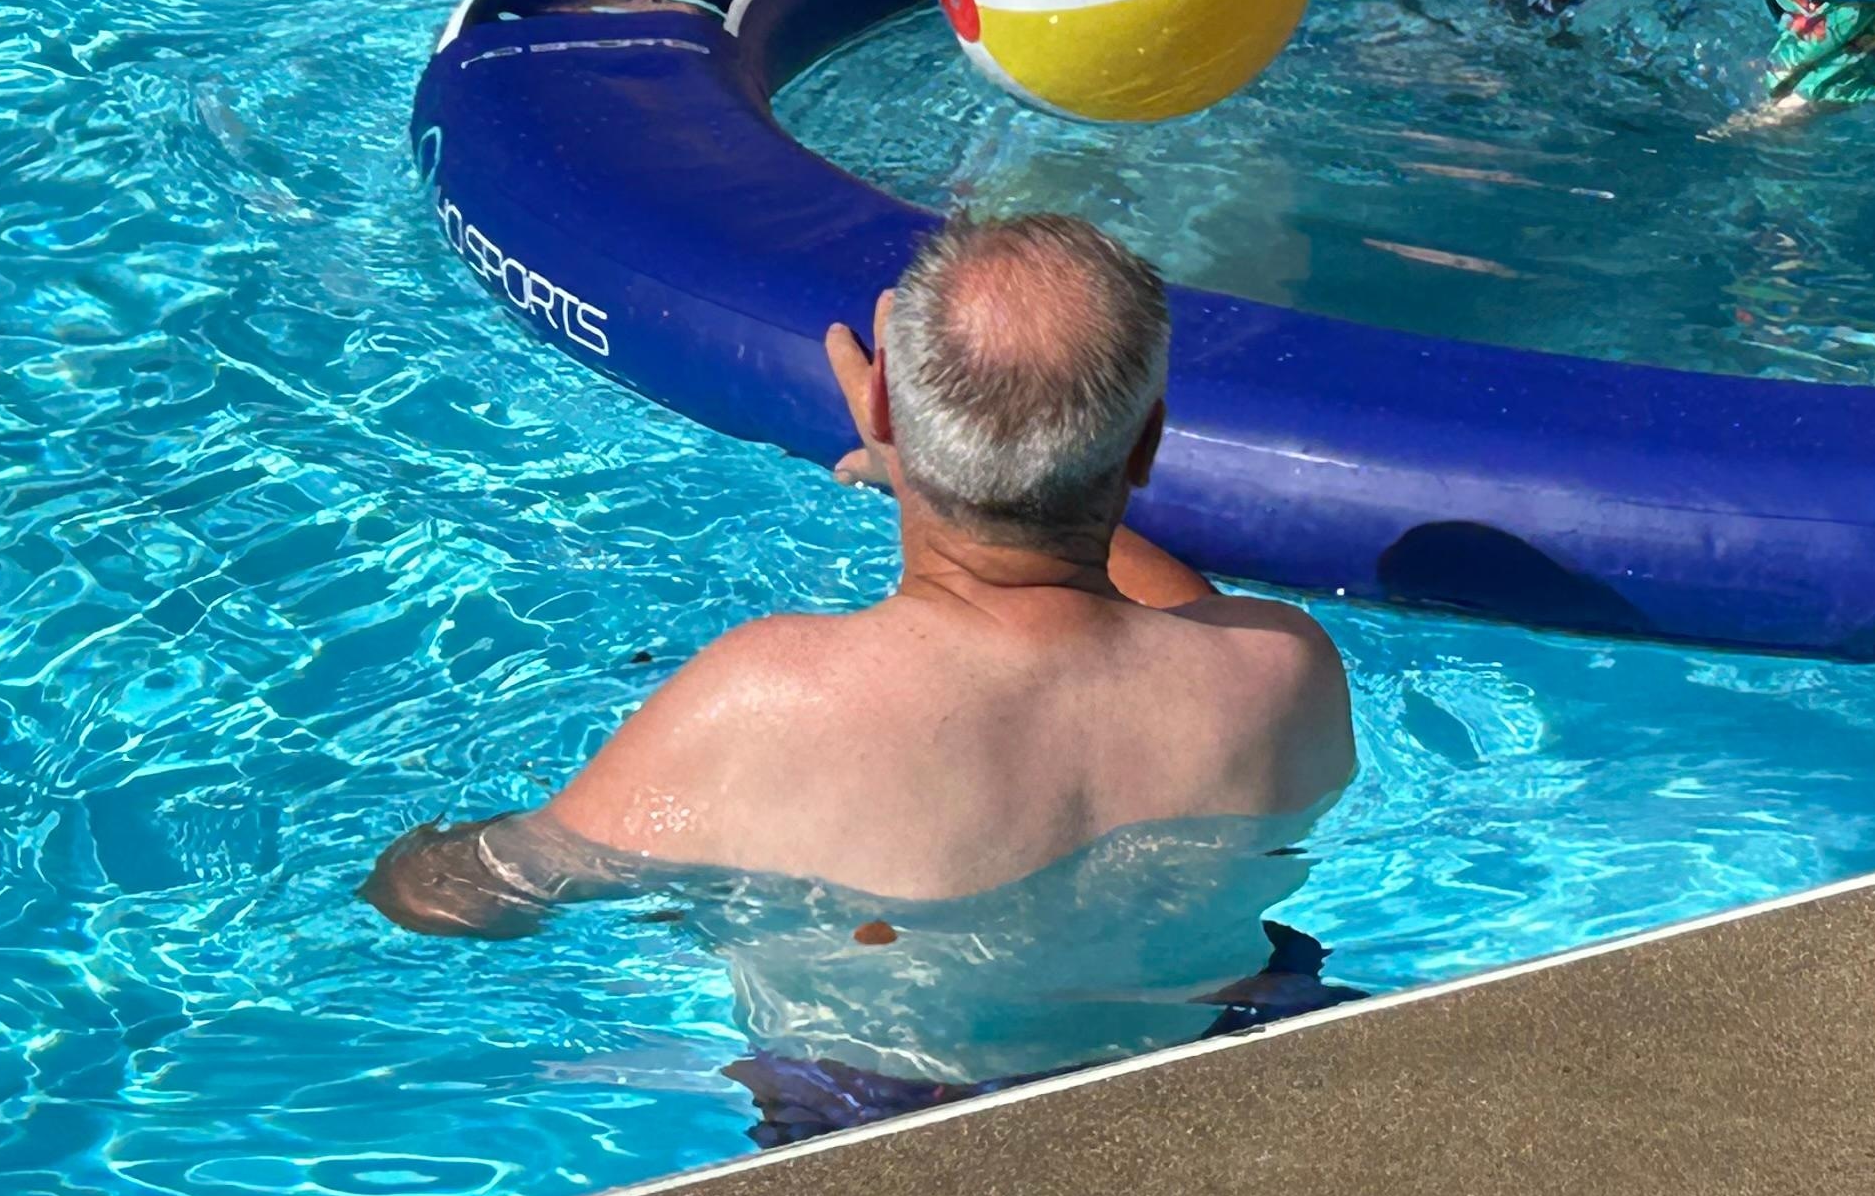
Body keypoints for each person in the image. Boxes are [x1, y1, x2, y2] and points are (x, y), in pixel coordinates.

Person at [360, 213, 1356, 1144]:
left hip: (885, 1122)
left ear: (879, 404)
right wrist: (957, 464)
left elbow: (477, 899)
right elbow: (1173, 609)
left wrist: (423, 860)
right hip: (1211, 1062)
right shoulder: (1281, 670)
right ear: (1146, 446)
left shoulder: (766, 699)